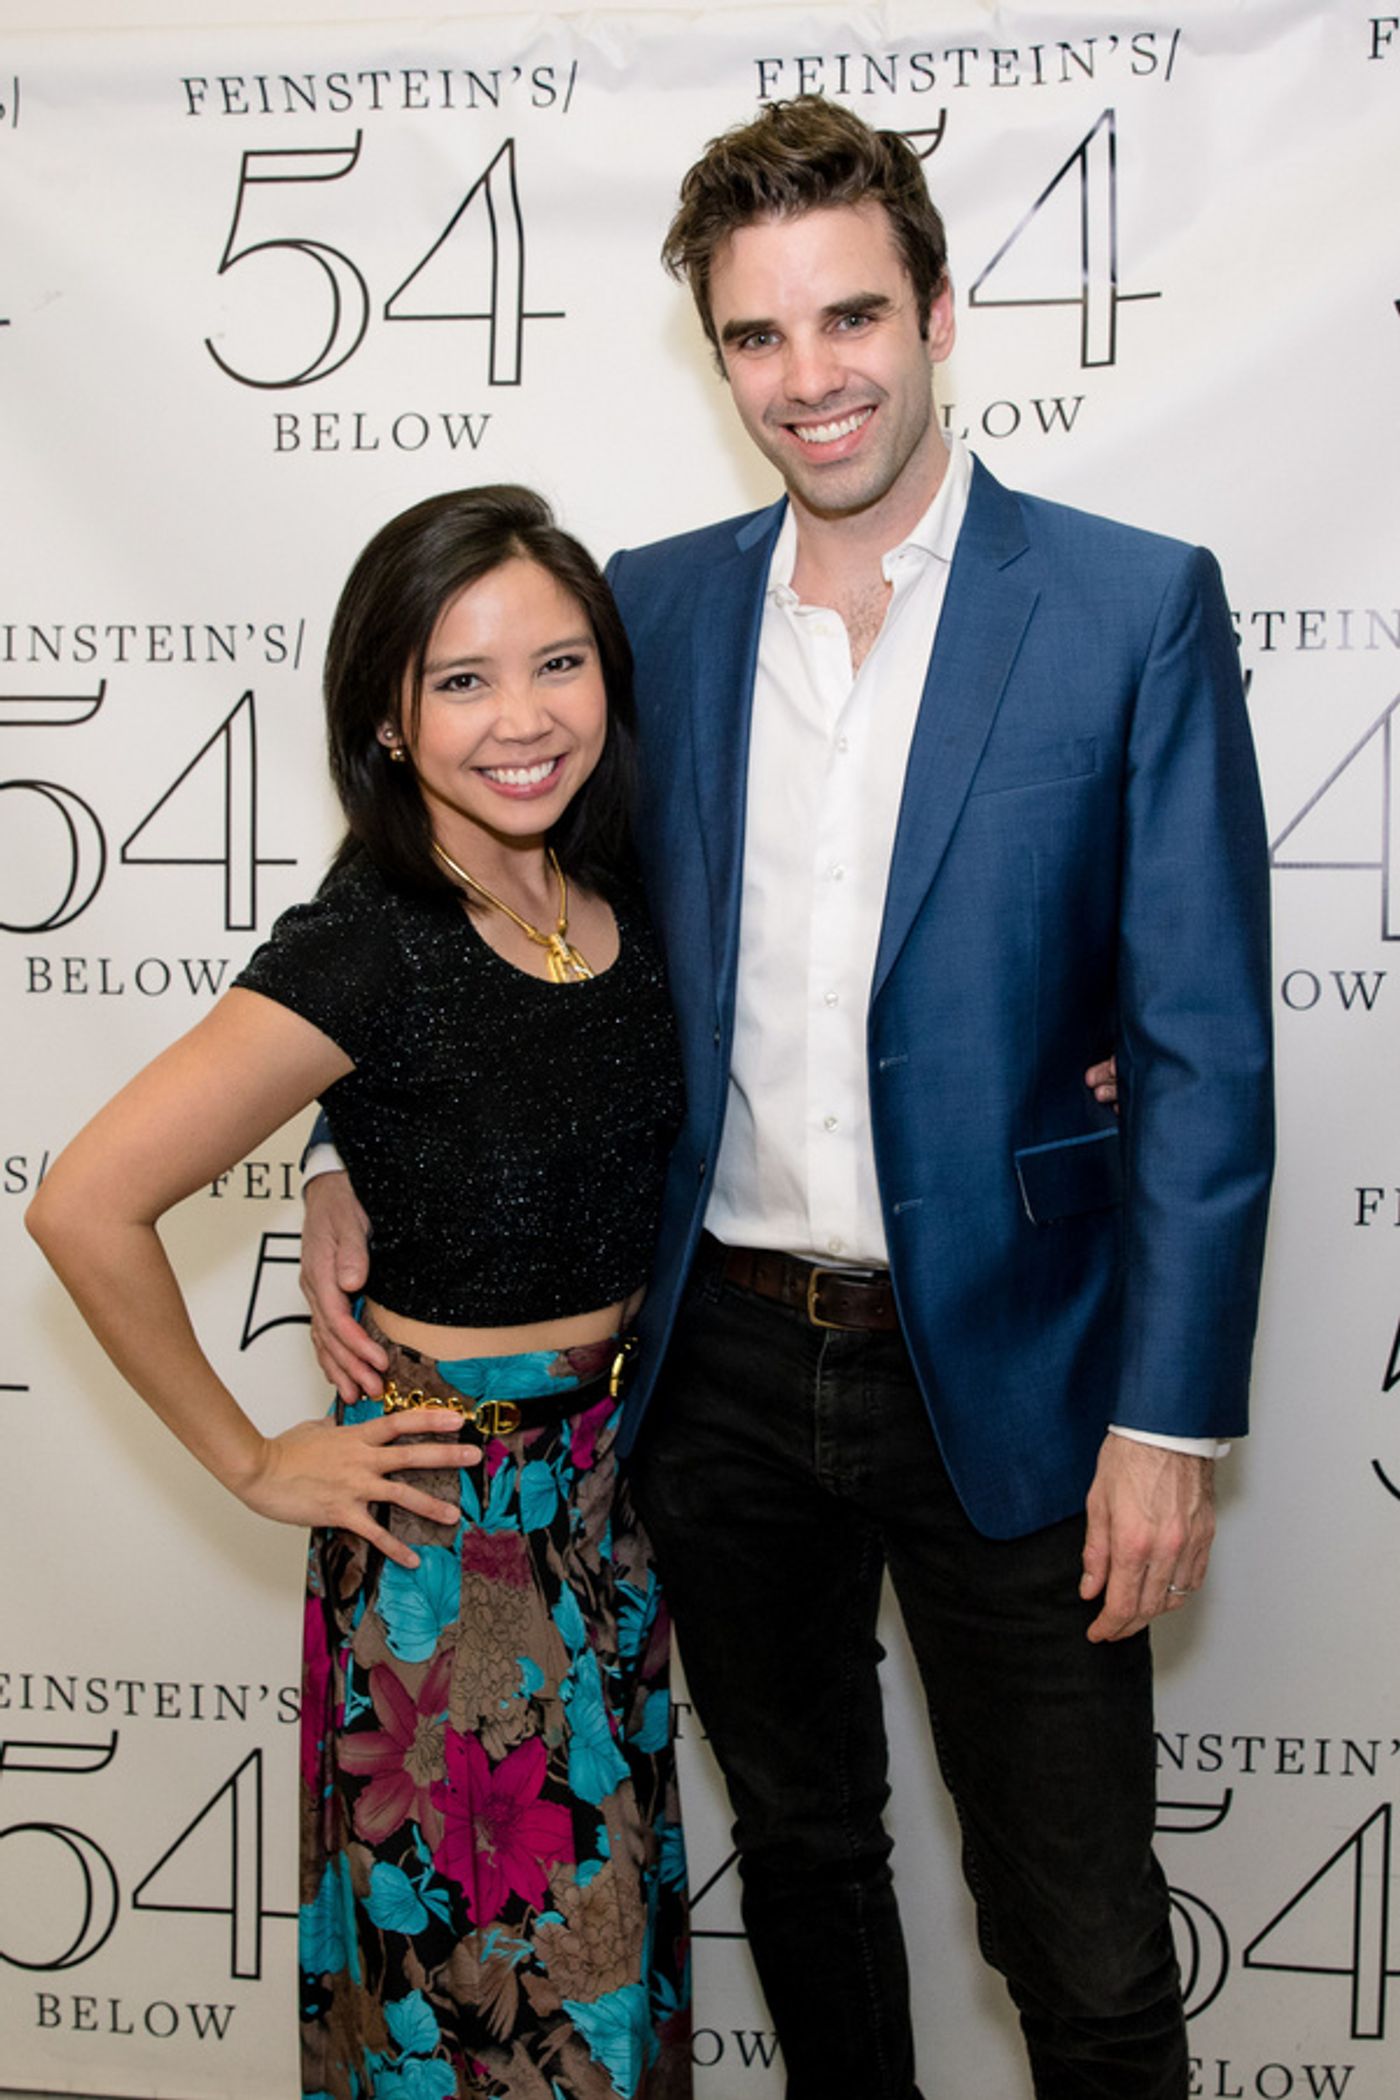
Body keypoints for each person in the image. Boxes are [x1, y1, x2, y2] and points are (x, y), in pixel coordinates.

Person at [301, 99, 1273, 2100]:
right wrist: (340, 1141)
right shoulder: (646, 609)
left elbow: (1199, 1044)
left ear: (937, 313)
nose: (808, 376)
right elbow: (443, 865)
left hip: (1019, 1361)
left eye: (850, 318)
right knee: (808, 1869)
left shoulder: (1126, 604)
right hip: (719, 1368)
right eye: (756, 334)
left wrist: (1168, 1419)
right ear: (716, 354)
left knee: (1083, 1936)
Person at [27, 486, 692, 2100]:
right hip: (451, 1550)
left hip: (616, 1505)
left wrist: (336, 1158)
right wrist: (256, 1463)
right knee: (487, 2022)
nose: (523, 719)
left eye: (559, 664)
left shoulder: (619, 884)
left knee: (606, 1998)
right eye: (462, 680)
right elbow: (84, 1204)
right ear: (387, 722)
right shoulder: (368, 944)